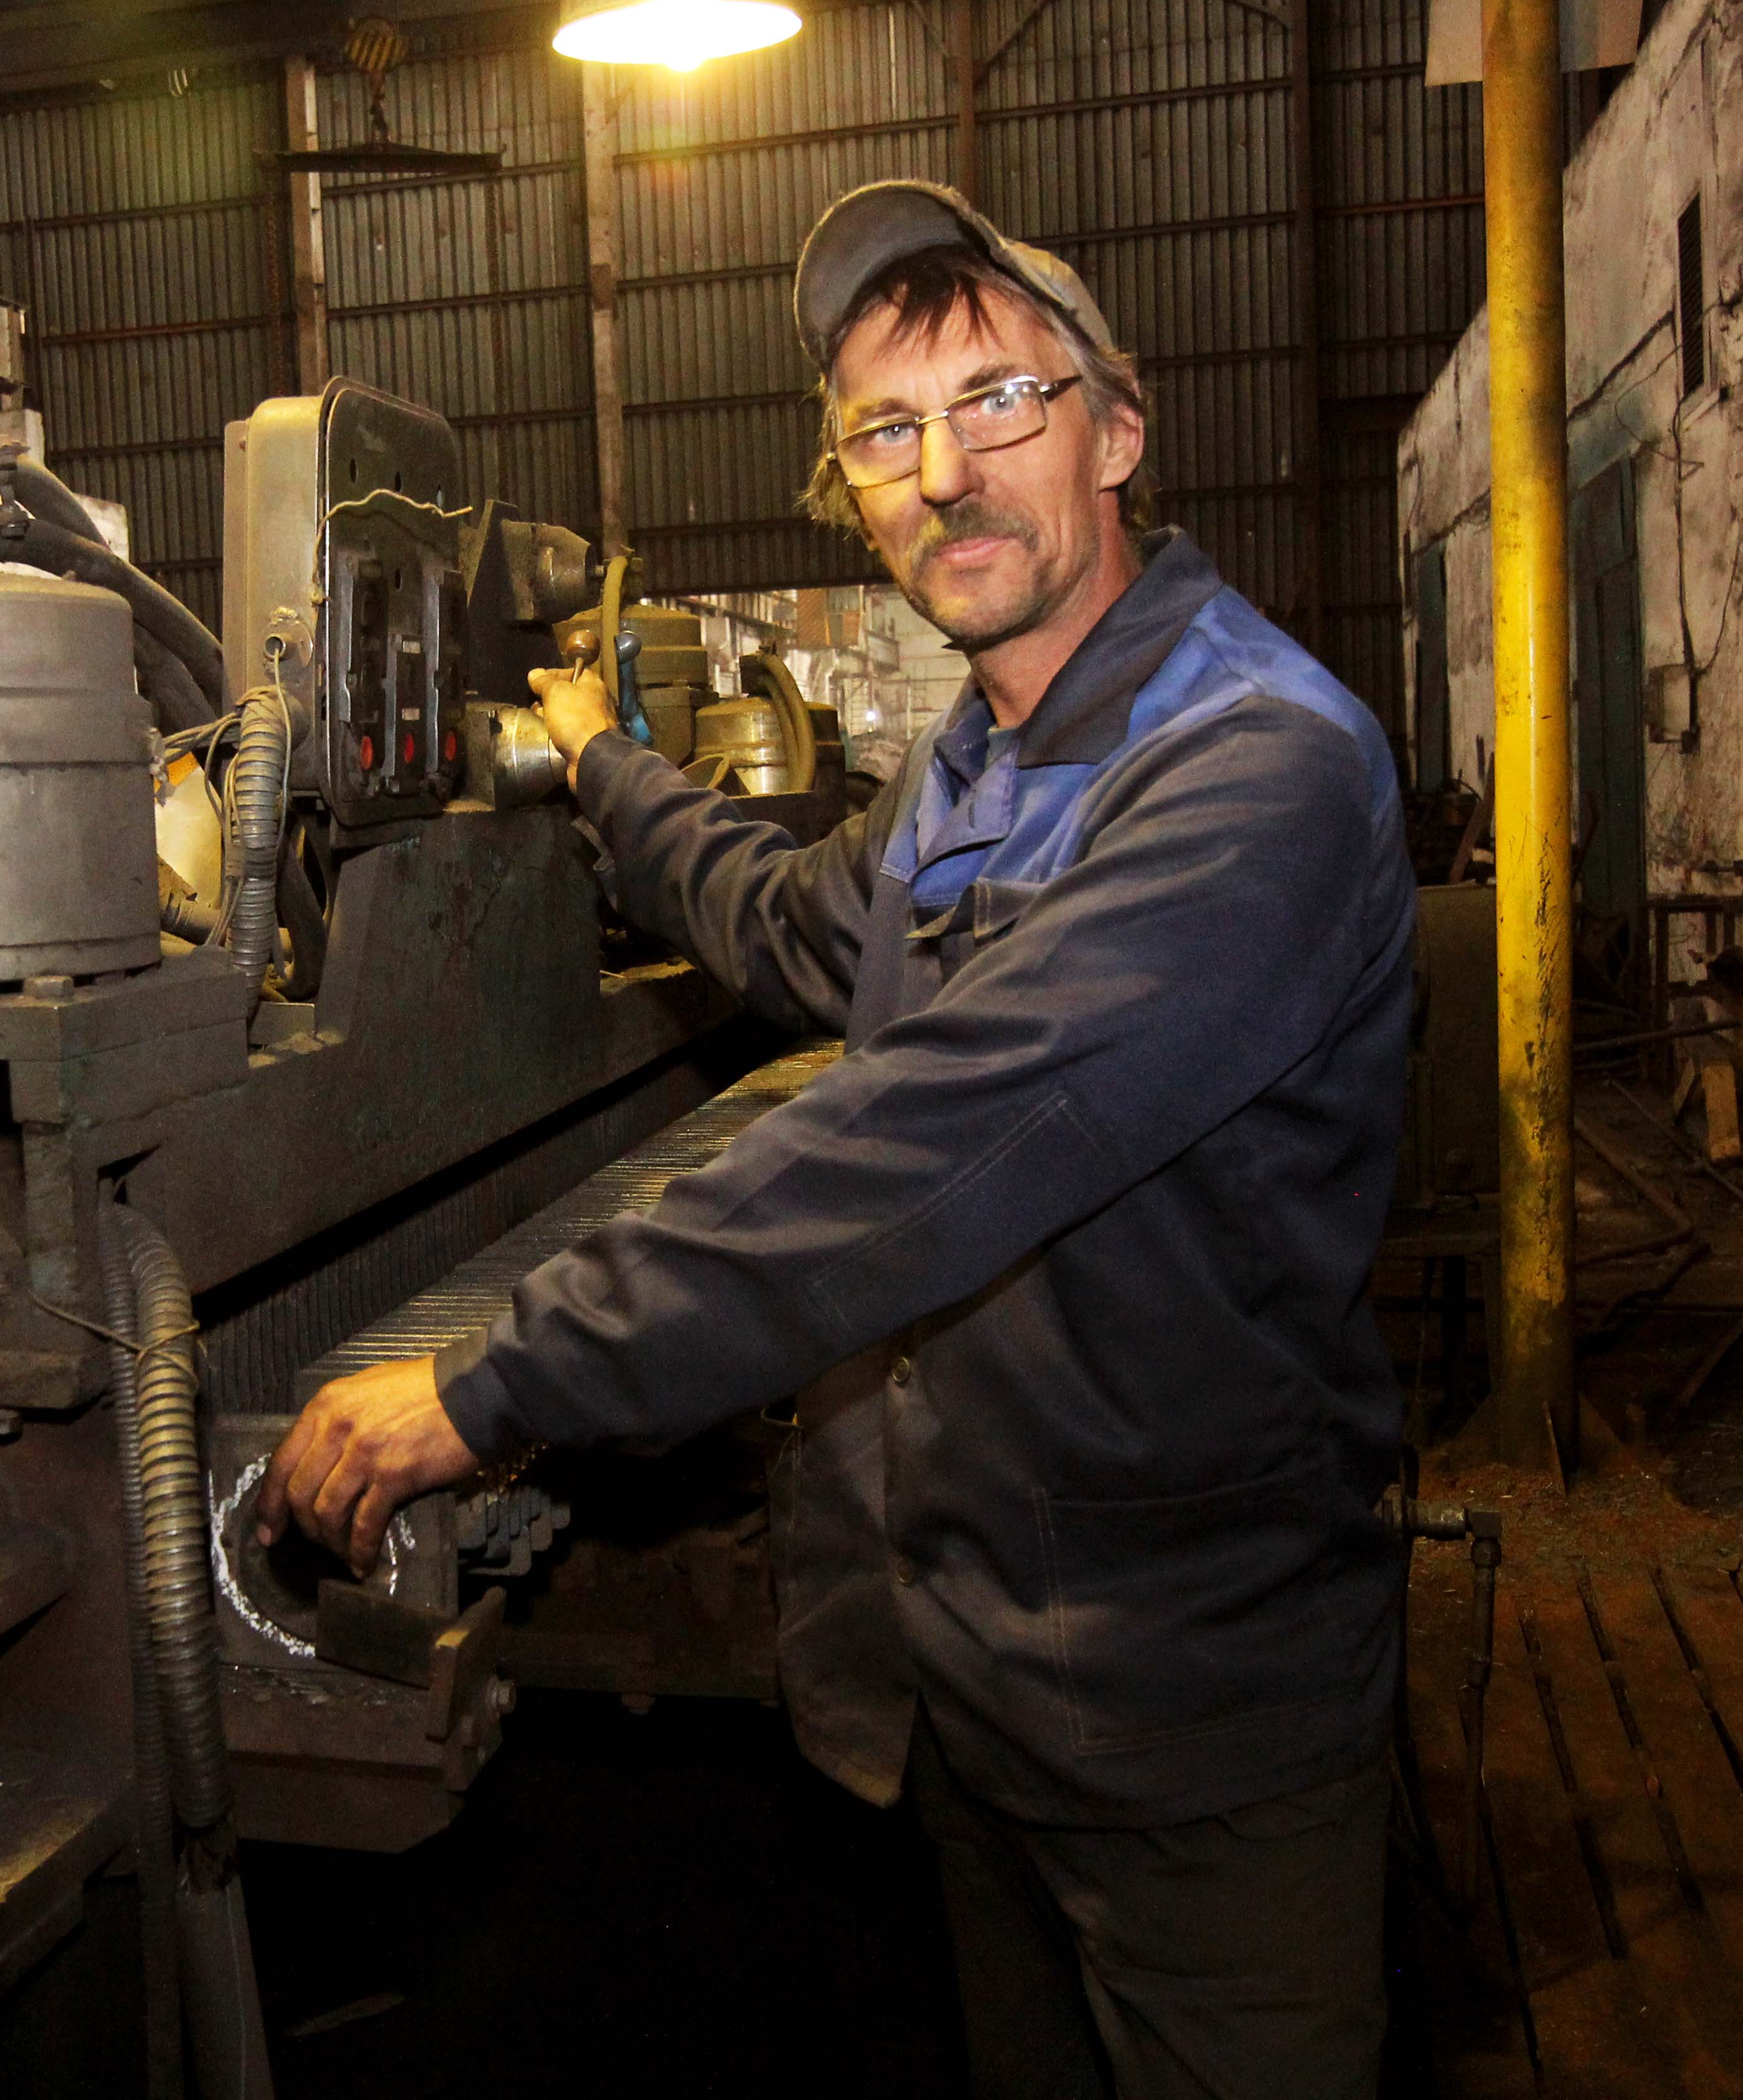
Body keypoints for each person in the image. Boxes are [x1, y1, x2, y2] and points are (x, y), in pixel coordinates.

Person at [256, 179, 1415, 2099]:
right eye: (887, 430)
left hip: (1195, 1689)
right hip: (981, 1670)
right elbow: (800, 927)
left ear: (1118, 431)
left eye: (1000, 405)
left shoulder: (1247, 771)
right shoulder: (987, 757)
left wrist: (494, 1380)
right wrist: (606, 769)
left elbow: (923, 1145)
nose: (945, 475)